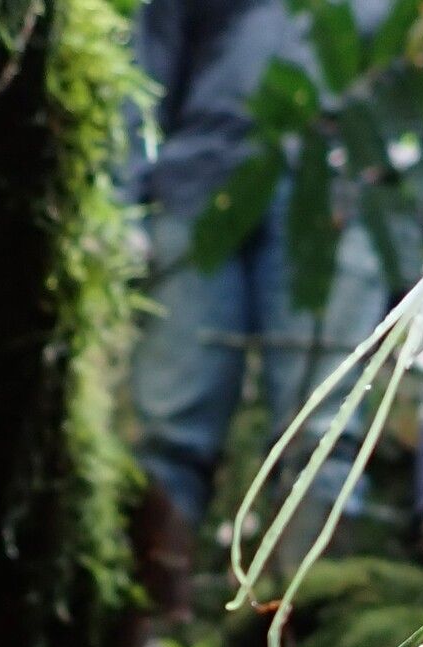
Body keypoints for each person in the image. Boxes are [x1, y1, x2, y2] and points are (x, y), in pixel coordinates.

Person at [124, 0, 395, 615]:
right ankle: (151, 639)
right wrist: (125, 199)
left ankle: (307, 641)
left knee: (326, 434)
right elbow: (146, 64)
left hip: (345, 193)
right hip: (201, 182)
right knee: (172, 431)